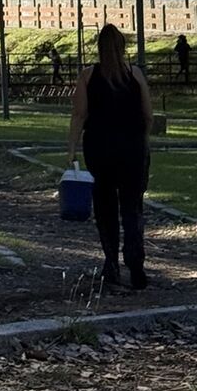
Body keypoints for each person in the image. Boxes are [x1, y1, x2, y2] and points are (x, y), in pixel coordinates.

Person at [67, 23, 153, 290]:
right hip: (132, 150)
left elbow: (79, 114)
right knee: (132, 207)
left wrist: (71, 149)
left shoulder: (88, 76)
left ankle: (111, 264)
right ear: (122, 47)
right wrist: (142, 140)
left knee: (105, 208)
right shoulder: (135, 75)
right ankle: (136, 264)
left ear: (99, 47)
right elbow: (148, 114)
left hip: (100, 149)